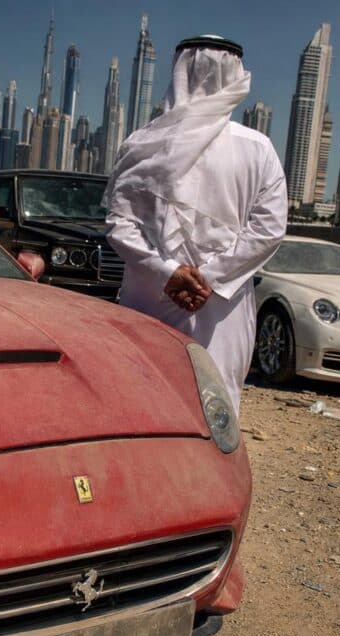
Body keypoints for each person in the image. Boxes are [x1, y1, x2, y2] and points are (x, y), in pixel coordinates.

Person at [105, 35, 287, 413]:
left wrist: (169, 273)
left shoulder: (141, 143)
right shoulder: (258, 147)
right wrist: (212, 279)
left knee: (144, 407)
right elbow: (268, 230)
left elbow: (119, 226)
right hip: (220, 308)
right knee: (213, 412)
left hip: (151, 297)